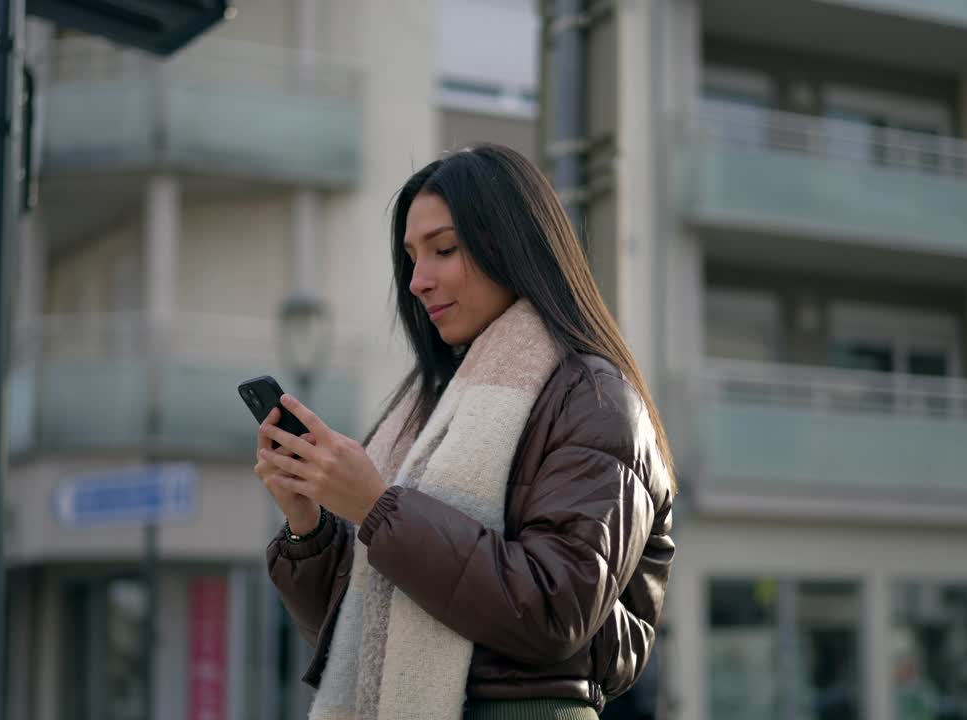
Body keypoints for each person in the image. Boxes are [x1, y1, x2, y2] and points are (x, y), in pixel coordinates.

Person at [253, 143, 676, 720]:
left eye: (444, 250)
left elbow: (557, 611)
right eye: (411, 258)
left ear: (512, 245)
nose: (417, 282)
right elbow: (350, 633)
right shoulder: (427, 409)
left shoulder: (595, 401)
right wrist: (308, 524)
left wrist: (379, 508)